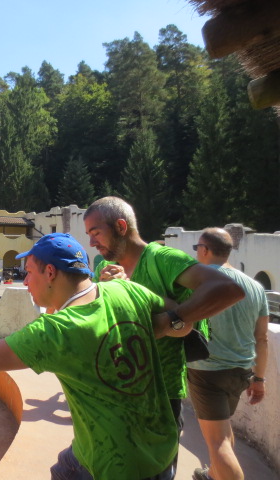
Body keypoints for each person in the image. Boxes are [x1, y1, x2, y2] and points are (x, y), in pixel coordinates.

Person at [0, 232, 188, 479]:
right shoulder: (126, 289)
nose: (25, 282)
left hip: (114, 465)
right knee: (64, 468)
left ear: (50, 273)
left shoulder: (56, 332)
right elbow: (180, 317)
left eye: (30, 273)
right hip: (161, 446)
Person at [83, 196, 245, 475]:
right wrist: (104, 291)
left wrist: (170, 318)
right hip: (117, 392)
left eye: (96, 233)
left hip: (160, 398)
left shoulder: (162, 259)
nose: (92, 243)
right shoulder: (102, 268)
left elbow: (227, 289)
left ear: (121, 226)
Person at [188, 228, 269, 480]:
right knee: (223, 431)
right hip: (241, 372)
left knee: (217, 441)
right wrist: (259, 379)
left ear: (205, 249)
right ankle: (213, 473)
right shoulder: (255, 287)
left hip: (207, 372)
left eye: (196, 249)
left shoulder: (197, 280)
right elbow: (262, 338)